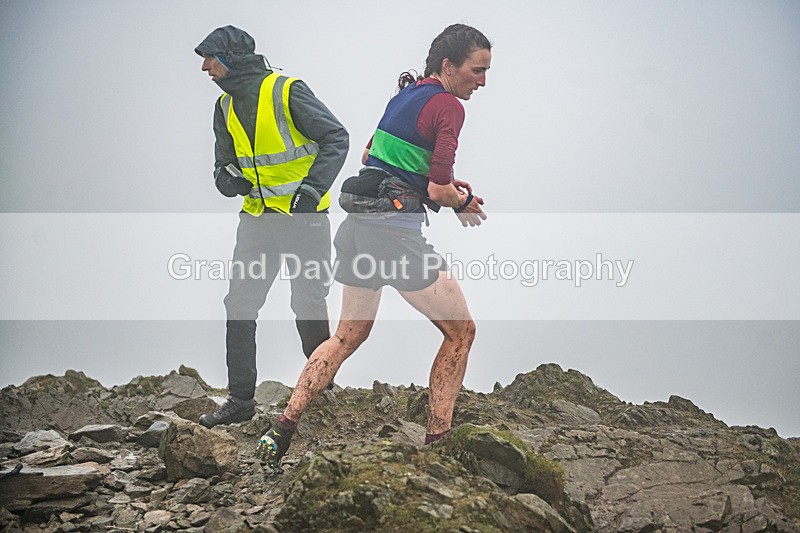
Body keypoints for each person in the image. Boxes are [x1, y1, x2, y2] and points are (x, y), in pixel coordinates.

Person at [256, 23, 491, 470]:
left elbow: (370, 158)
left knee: (346, 336)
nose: (482, 81)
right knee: (462, 332)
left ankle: (281, 429)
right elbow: (440, 190)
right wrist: (460, 200)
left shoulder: (403, 95)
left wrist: (428, 183)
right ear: (449, 66)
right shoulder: (448, 107)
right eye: (477, 71)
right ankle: (438, 441)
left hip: (358, 227)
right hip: (395, 235)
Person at [194, 26, 349, 428]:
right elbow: (222, 165)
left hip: (304, 220)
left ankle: (321, 393)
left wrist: (311, 191)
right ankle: (241, 401)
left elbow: (336, 137)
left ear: (229, 58)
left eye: (209, 57)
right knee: (239, 306)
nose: (204, 67)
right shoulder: (224, 107)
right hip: (257, 221)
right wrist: (226, 180)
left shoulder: (286, 90)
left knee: (308, 303)